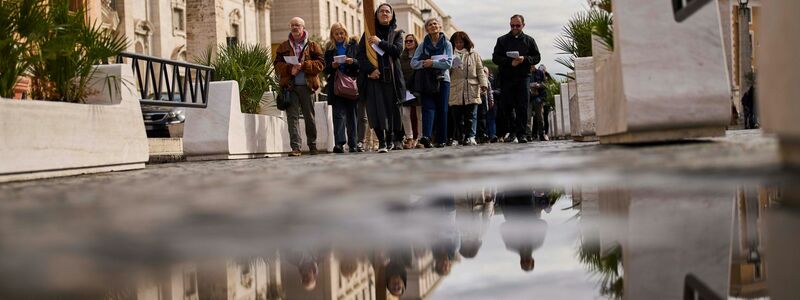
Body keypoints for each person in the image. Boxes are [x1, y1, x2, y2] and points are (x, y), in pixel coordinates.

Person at [357, 3, 406, 153]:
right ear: (376, 15)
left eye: (387, 12)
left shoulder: (397, 34)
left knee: (393, 110)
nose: (384, 14)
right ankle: (382, 142)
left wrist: (380, 42)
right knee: (376, 110)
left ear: (392, 16)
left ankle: (394, 138)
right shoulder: (368, 34)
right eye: (381, 11)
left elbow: (397, 51)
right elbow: (360, 55)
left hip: (391, 78)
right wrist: (370, 70)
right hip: (374, 78)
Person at [274, 17, 325, 156]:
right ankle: (295, 147)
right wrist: (290, 69)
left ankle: (312, 145)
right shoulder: (283, 46)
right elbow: (277, 66)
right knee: (292, 117)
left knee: (309, 117)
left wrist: (304, 66)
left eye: (297, 25)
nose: (295, 27)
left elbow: (321, 64)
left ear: (303, 27)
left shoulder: (313, 45)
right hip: (290, 87)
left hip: (308, 86)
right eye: (292, 25)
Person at [492, 14, 541, 143]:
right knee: (506, 106)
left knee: (522, 106)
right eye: (512, 25)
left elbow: (537, 57)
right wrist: (510, 62)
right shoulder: (501, 40)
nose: (514, 27)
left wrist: (524, 59)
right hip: (507, 78)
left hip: (523, 77)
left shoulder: (530, 40)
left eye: (517, 25)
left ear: (523, 25)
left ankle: (522, 134)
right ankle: (512, 131)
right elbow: (495, 58)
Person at [412, 17, 454, 148]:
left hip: (443, 80)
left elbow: (448, 63)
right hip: (427, 81)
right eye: (430, 24)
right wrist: (426, 64)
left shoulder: (447, 44)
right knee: (428, 109)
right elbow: (413, 63)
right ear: (427, 29)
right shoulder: (422, 45)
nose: (433, 26)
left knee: (442, 110)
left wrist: (433, 63)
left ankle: (441, 139)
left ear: (440, 27)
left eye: (435, 23)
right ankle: (427, 137)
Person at [323, 23, 360, 153]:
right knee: (338, 115)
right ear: (332, 35)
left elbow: (360, 62)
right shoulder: (329, 48)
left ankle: (353, 144)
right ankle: (339, 143)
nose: (339, 36)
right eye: (336, 33)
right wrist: (332, 66)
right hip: (336, 85)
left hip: (351, 84)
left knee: (352, 115)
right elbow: (325, 69)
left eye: (341, 33)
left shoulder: (354, 45)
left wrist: (353, 61)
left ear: (345, 33)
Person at [448, 31, 488, 146]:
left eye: (461, 42)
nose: (459, 44)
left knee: (471, 115)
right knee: (457, 116)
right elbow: (446, 71)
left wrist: (483, 83)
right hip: (456, 87)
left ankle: (471, 136)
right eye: (456, 42)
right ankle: (458, 137)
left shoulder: (474, 54)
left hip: (472, 87)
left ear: (466, 42)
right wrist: (451, 65)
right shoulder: (450, 54)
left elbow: (480, 70)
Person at [399, 34, 421, 149]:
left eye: (411, 41)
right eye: (406, 41)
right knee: (404, 113)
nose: (408, 43)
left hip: (418, 87)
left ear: (415, 42)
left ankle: (420, 138)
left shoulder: (420, 55)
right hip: (406, 88)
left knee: (419, 114)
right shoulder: (401, 57)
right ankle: (409, 137)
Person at [529, 64, 548, 141]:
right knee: (528, 117)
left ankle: (541, 134)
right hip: (529, 98)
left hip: (538, 97)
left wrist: (538, 85)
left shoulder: (540, 73)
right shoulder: (526, 73)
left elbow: (545, 84)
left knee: (540, 118)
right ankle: (528, 135)